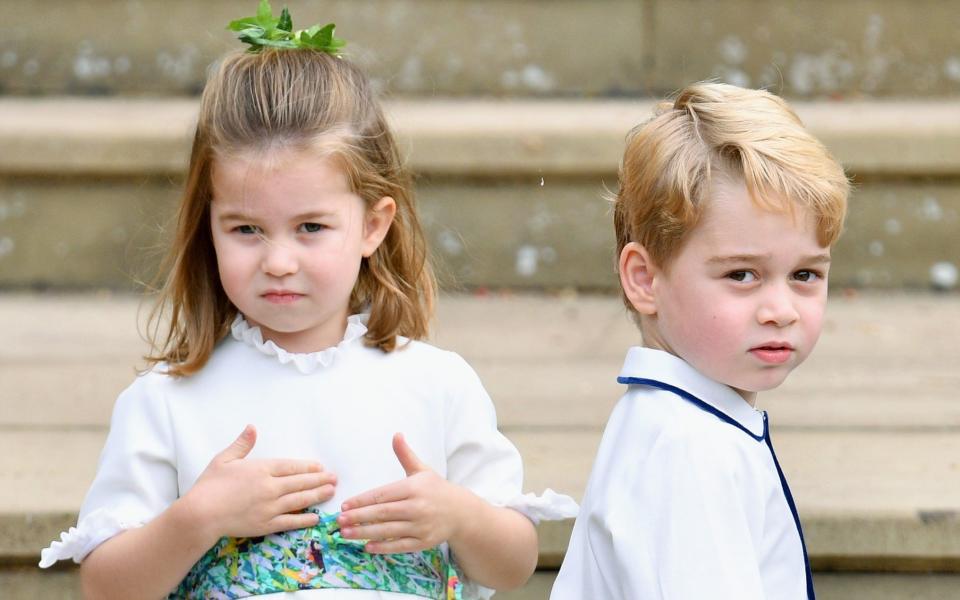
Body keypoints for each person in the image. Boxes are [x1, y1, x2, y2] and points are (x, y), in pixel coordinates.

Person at [40, 3, 575, 598]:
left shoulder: (436, 384)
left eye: (311, 228)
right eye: (246, 229)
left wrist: (458, 516)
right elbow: (105, 588)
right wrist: (197, 519)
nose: (278, 261)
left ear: (373, 226)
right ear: (208, 226)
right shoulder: (167, 402)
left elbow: (512, 566)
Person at [550, 82, 849, 600]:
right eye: (741, 275)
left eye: (804, 275)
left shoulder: (687, 423)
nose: (779, 311)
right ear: (645, 279)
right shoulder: (687, 448)